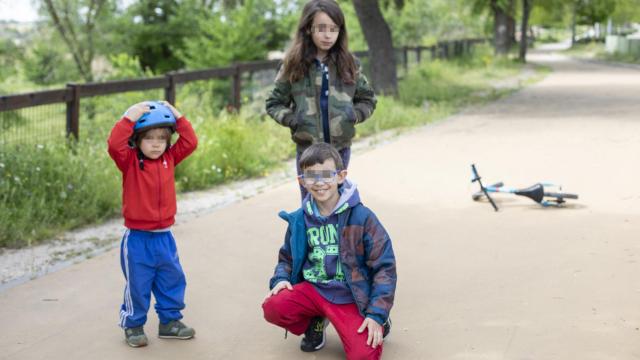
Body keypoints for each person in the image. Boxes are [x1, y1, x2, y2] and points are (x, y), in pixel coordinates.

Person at [262, 143, 396, 359]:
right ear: (302, 181)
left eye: (326, 175)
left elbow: (385, 268)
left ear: (341, 176)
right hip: (314, 290)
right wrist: (280, 279)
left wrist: (376, 313)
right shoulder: (299, 219)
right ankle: (315, 320)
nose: (319, 183)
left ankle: (378, 321)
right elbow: (286, 258)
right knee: (273, 306)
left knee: (363, 355)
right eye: (312, 176)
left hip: (350, 296)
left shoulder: (362, 217)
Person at [107, 100, 198, 347]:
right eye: (149, 138)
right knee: (138, 284)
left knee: (172, 279)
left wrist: (178, 117)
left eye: (161, 138)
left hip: (164, 237)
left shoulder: (170, 157)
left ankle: (169, 322)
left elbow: (190, 142)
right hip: (137, 239)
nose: (156, 143)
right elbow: (114, 144)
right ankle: (133, 325)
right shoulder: (130, 162)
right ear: (137, 140)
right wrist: (129, 118)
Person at [265, 0, 377, 199]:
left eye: (334, 29)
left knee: (337, 207)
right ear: (308, 28)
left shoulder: (349, 63)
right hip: (308, 154)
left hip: (339, 152)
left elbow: (368, 99)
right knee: (311, 209)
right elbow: (273, 103)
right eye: (322, 28)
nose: (328, 35)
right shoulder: (293, 64)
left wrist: (354, 115)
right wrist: (293, 120)